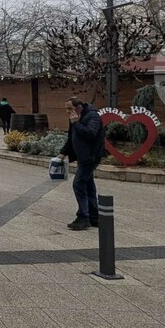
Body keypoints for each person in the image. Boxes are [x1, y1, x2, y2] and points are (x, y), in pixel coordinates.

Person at [58, 96, 106, 231]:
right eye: (66, 109)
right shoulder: (74, 118)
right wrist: (63, 153)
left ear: (78, 107)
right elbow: (71, 137)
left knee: (78, 183)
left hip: (91, 156)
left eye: (69, 108)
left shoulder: (92, 116)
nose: (67, 111)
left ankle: (83, 217)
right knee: (88, 185)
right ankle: (94, 217)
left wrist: (76, 123)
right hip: (82, 156)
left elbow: (91, 133)